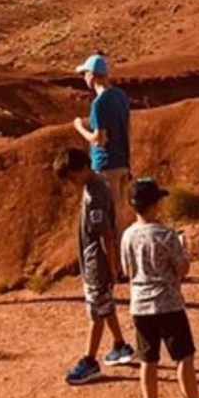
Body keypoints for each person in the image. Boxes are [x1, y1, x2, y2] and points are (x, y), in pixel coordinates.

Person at [121, 177, 199, 398]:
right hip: (168, 304)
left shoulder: (127, 236)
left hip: (140, 306)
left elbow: (127, 271)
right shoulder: (166, 235)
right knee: (184, 357)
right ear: (155, 205)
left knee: (148, 360)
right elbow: (182, 269)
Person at [55, 148, 136, 384]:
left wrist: (111, 268)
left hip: (97, 263)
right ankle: (120, 346)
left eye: (71, 177)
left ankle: (89, 361)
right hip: (97, 261)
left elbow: (106, 236)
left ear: (82, 169)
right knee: (104, 304)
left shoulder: (94, 196)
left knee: (96, 312)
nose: (71, 183)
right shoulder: (97, 183)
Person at [72, 54, 133, 248]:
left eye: (84, 74)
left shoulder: (99, 104)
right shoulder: (121, 96)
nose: (84, 78)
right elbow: (127, 129)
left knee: (108, 217)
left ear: (92, 75)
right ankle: (123, 262)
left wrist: (79, 127)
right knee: (120, 215)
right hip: (122, 162)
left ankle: (116, 266)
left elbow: (99, 140)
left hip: (105, 165)